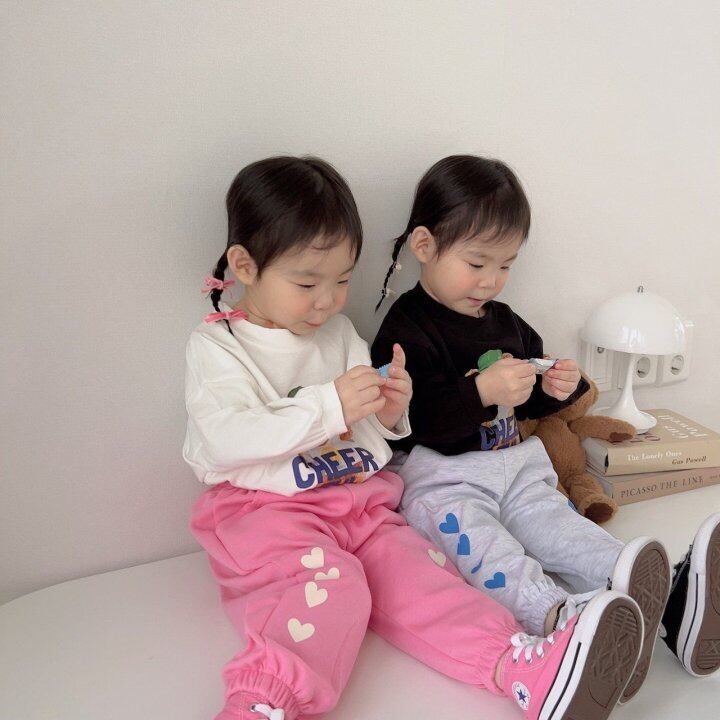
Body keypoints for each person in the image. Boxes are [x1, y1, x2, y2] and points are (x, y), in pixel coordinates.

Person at [183, 155, 644, 720]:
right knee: (332, 585)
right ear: (245, 266)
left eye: (343, 280)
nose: (328, 300)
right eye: (307, 282)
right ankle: (264, 700)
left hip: (361, 505)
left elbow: (376, 442)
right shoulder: (220, 347)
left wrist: (391, 412)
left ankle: (521, 667)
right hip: (267, 511)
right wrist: (329, 404)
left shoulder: (340, 333)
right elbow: (225, 438)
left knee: (427, 579)